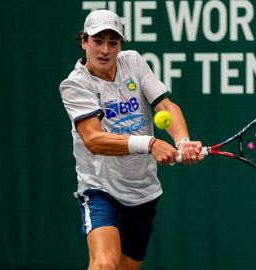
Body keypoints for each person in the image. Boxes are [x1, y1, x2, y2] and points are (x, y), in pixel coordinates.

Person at [59, 9, 204, 270]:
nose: (104, 50)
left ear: (120, 45)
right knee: (104, 264)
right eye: (97, 41)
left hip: (143, 191)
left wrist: (183, 142)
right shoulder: (74, 85)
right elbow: (93, 139)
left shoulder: (133, 62)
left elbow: (166, 106)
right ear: (83, 42)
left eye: (112, 43)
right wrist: (149, 144)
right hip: (100, 188)